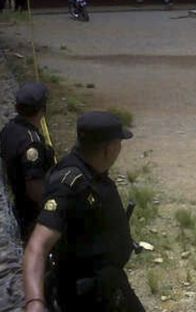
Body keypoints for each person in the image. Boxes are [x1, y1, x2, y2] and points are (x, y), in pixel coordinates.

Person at [23, 111, 145, 312]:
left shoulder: (91, 172)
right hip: (87, 297)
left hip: (108, 284)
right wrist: (35, 302)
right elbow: (37, 246)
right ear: (109, 149)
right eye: (119, 143)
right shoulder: (69, 185)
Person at [0, 83, 54, 241]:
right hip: (31, 214)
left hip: (17, 203)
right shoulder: (32, 142)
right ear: (42, 110)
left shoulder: (10, 129)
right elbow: (34, 189)